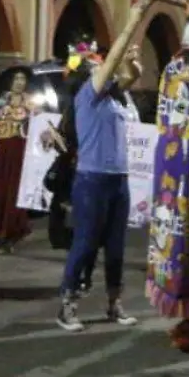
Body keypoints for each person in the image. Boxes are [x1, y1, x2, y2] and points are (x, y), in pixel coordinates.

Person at [55, 26, 145, 333]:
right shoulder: (87, 96)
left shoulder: (113, 99)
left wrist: (129, 60)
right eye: (95, 67)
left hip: (118, 180)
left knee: (116, 247)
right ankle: (68, 304)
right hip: (91, 180)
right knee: (85, 243)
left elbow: (133, 74)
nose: (101, 70)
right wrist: (131, 24)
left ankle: (114, 302)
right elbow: (111, 65)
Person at [0, 67, 36, 253]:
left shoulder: (31, 103)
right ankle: (0, 233)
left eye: (22, 79)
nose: (19, 82)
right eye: (16, 78)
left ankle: (11, 233)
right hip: (4, 150)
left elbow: (39, 125)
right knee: (2, 192)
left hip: (21, 152)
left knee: (16, 193)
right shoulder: (2, 101)